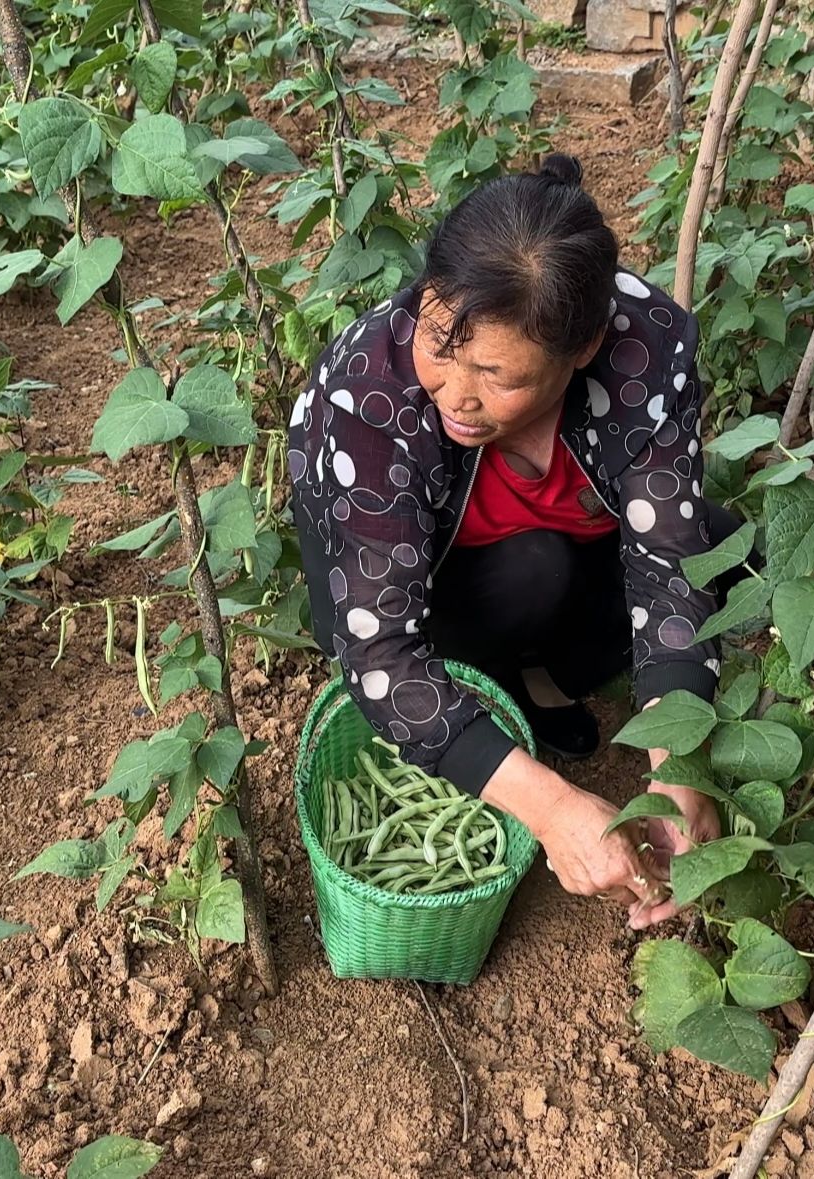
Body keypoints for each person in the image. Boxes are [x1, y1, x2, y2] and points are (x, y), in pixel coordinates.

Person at [287, 154, 733, 929]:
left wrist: (679, 768)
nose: (456, 395)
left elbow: (670, 576)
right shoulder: (371, 392)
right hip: (408, 579)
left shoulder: (647, 350)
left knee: (722, 549)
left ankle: (544, 684)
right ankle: (492, 707)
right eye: (437, 341)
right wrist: (551, 806)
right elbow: (380, 648)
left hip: (551, 543)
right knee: (528, 574)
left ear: (584, 347)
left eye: (499, 377)